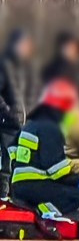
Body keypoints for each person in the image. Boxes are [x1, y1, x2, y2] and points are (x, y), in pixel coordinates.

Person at [9, 80, 79, 219]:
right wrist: (76, 181)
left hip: (17, 187)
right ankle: (42, 214)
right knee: (76, 196)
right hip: (34, 186)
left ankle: (32, 209)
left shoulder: (31, 123)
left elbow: (12, 148)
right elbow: (56, 169)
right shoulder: (51, 127)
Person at [0, 29, 35, 199]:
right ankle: (3, 197)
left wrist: (28, 111)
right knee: (6, 162)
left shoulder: (23, 68)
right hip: (7, 123)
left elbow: (26, 93)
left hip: (22, 123)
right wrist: (7, 112)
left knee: (18, 162)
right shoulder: (4, 64)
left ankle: (14, 197)